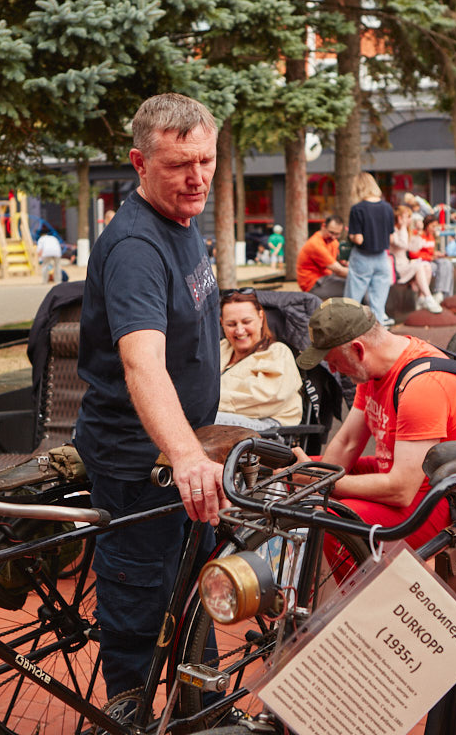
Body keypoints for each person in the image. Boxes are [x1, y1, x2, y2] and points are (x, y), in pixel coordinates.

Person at [74, 92, 222, 698]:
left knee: (196, 593)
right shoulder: (136, 247)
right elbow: (141, 366)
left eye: (207, 161)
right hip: (144, 465)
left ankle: (200, 707)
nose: (197, 178)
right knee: (138, 612)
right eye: (178, 165)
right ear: (139, 163)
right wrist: (185, 453)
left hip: (184, 454)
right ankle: (127, 713)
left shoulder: (183, 222)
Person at [296, 297, 456, 549]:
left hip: (436, 500)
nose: (334, 370)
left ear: (359, 350)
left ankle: (353, 584)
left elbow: (401, 490)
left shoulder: (422, 385)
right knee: (294, 472)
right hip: (401, 476)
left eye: (333, 361)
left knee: (330, 522)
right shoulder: (373, 368)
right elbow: (348, 441)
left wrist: (324, 485)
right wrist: (316, 482)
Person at [215, 289, 303, 431]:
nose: (239, 330)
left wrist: (206, 403)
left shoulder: (277, 353)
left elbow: (266, 398)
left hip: (268, 428)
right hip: (225, 423)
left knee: (195, 419)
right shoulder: (220, 349)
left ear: (261, 317)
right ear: (222, 323)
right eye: (231, 324)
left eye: (246, 322)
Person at [344, 172, 395, 326]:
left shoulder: (357, 209)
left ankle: (348, 331)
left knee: (352, 302)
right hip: (382, 258)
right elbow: (391, 238)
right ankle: (378, 336)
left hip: (362, 257)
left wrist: (351, 236)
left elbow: (358, 238)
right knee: (378, 304)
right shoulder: (387, 208)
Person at [389, 204, 443, 314]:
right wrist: (403, 226)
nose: (410, 220)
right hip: (396, 267)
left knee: (426, 267)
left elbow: (413, 247)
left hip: (404, 264)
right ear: (400, 218)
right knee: (420, 266)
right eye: (407, 217)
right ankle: (428, 298)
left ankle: (422, 298)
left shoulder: (405, 231)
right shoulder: (393, 230)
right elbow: (403, 244)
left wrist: (419, 232)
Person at [295, 215, 348, 299]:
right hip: (314, 285)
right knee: (355, 287)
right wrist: (363, 276)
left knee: (356, 284)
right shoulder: (315, 244)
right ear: (323, 226)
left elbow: (343, 261)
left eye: (337, 234)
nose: (333, 237)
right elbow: (339, 270)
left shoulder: (332, 242)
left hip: (326, 279)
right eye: (331, 232)